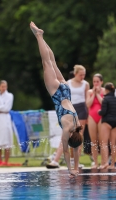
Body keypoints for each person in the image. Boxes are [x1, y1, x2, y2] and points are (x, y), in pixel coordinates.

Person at [30, 22, 83, 177]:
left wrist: (77, 167)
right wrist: (71, 169)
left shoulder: (77, 124)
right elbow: (67, 152)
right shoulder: (67, 129)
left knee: (51, 61)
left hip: (66, 90)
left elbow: (76, 149)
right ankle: (39, 35)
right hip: (57, 93)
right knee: (46, 63)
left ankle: (40, 37)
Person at [47, 66, 90, 168]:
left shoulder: (86, 84)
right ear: (75, 74)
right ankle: (56, 160)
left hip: (81, 110)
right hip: (69, 108)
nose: (82, 76)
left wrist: (87, 116)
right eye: (81, 75)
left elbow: (86, 101)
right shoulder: (68, 82)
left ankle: (76, 162)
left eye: (84, 74)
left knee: (78, 137)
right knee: (65, 136)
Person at [86, 74, 104, 169]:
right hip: (92, 116)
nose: (96, 83)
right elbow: (88, 104)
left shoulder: (104, 91)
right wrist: (93, 93)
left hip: (101, 116)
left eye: (97, 81)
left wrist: (97, 94)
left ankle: (103, 162)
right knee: (94, 141)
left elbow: (104, 103)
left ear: (101, 82)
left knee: (102, 141)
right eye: (94, 82)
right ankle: (96, 162)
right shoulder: (89, 92)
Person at [98, 82, 116, 169]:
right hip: (115, 123)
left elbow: (103, 112)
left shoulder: (105, 99)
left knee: (104, 143)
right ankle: (113, 164)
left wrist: (99, 112)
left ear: (106, 90)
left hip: (107, 122)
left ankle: (105, 163)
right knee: (113, 144)